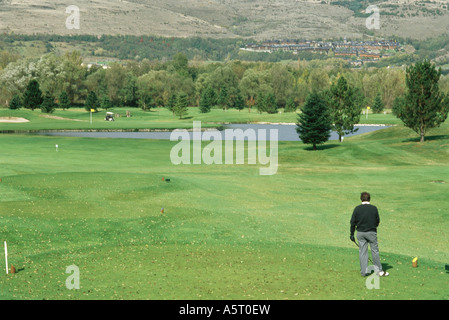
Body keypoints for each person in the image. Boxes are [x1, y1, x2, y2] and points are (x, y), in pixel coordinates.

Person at [350, 192, 389, 277]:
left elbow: (353, 222)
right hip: (371, 233)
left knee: (363, 252)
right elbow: (377, 221)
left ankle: (364, 272)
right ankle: (379, 271)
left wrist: (352, 234)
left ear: (361, 199)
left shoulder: (357, 209)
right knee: (374, 251)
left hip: (360, 233)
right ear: (369, 199)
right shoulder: (374, 208)